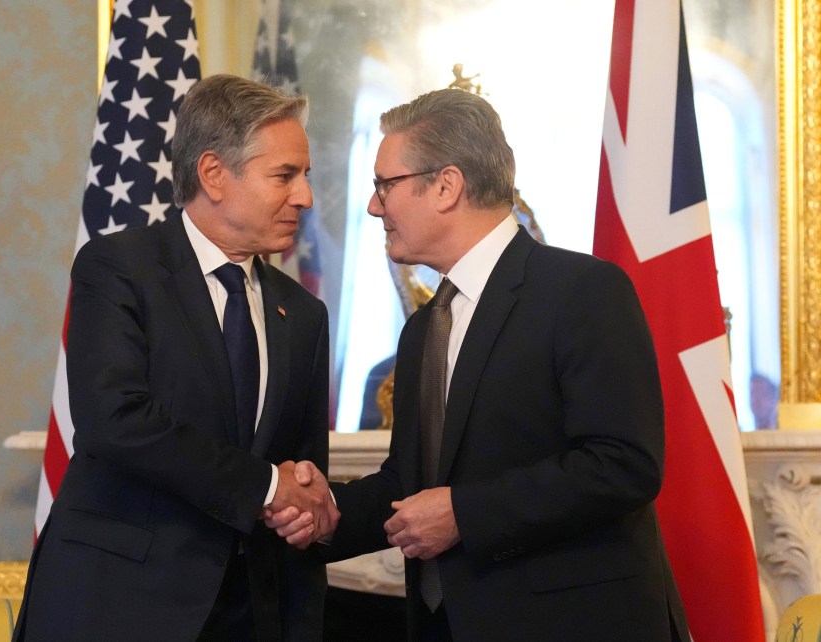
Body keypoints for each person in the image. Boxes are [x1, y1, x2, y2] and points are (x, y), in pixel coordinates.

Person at [268, 88, 690, 641]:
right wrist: (322, 510)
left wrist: (465, 514)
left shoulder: (583, 291)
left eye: (384, 185)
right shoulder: (424, 327)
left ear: (446, 186)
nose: (374, 206)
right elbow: (410, 484)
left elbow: (622, 463)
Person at [13, 74, 338, 642]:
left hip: (248, 616)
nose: (306, 196)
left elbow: (303, 473)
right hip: (117, 607)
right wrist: (265, 485)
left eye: (305, 175)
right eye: (285, 175)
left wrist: (310, 507)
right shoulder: (119, 268)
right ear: (214, 173)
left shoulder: (302, 314)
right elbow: (113, 421)